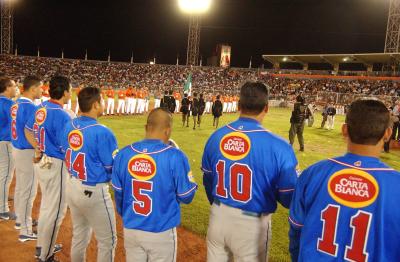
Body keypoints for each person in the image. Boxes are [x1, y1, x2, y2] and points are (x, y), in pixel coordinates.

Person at [289, 99, 400, 261]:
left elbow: (296, 229)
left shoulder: (312, 173)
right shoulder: (396, 185)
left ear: (344, 130)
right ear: (388, 133)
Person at [202, 81, 298, 262]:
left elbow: (208, 180)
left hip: (218, 215)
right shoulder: (279, 146)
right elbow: (288, 197)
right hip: (252, 225)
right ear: (267, 108)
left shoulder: (216, 136)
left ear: (238, 105)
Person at [112, 108, 197, 262]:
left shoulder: (123, 154)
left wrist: (125, 214)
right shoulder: (175, 156)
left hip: (131, 229)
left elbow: (118, 194)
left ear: (146, 127)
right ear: (168, 131)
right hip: (161, 232)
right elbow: (187, 196)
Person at [62, 87, 118, 262]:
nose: (102, 105)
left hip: (72, 185)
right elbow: (112, 167)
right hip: (94, 192)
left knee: (79, 236)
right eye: (101, 102)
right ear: (95, 104)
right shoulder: (103, 132)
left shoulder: (69, 125)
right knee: (107, 241)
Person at [25, 75, 72, 262]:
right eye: (70, 90)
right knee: (56, 212)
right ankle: (46, 256)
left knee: (46, 207)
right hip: (56, 165)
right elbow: (66, 147)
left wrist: (37, 147)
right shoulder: (62, 115)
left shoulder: (40, 108)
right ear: (65, 92)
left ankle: (43, 246)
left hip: (41, 161)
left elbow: (27, 130)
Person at [11, 76, 43, 242]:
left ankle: (19, 220)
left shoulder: (16, 103)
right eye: (40, 88)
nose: (42, 90)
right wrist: (38, 148)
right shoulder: (30, 107)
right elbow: (29, 131)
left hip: (17, 147)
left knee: (21, 188)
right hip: (26, 151)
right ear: (32, 89)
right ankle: (25, 230)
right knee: (28, 191)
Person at [0, 77, 17, 220]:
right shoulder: (9, 104)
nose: (15, 88)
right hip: (5, 142)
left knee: (2, 174)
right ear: (7, 87)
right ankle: (2, 210)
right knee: (5, 176)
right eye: (13, 86)